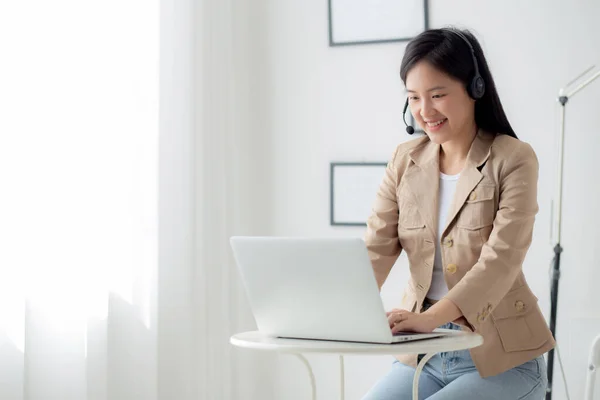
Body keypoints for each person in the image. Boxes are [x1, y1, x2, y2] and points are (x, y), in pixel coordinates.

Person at [362, 27, 555, 399]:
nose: (424, 111)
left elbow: (501, 261)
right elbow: (376, 246)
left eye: (437, 95)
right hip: (425, 357)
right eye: (414, 98)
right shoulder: (405, 160)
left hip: (503, 357)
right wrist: (338, 311)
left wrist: (429, 320)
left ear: (474, 88)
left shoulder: (513, 159)